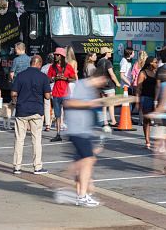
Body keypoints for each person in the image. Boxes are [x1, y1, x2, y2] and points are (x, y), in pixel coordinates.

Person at [62, 70, 108, 207]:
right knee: (88, 160)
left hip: (83, 131)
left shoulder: (89, 88)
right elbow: (70, 103)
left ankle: (81, 194)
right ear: (98, 77)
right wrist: (90, 104)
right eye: (102, 81)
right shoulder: (82, 85)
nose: (102, 84)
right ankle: (81, 195)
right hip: (77, 130)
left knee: (84, 161)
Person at [11, 55, 51, 175]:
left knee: (19, 139)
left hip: (22, 110)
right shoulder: (43, 77)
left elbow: (13, 93)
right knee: (36, 139)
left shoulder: (21, 75)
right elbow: (48, 96)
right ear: (39, 64)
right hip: (36, 111)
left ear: (30, 63)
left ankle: (17, 167)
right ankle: (37, 167)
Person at [47, 47, 76, 141]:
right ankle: (58, 134)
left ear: (62, 56)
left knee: (68, 114)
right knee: (57, 114)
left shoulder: (68, 67)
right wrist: (54, 79)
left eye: (57, 55)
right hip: (56, 93)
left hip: (66, 93)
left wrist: (65, 78)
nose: (55, 56)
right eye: (55, 55)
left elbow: (74, 78)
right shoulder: (52, 67)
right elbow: (48, 79)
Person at [136, 56, 158, 149]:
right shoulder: (143, 73)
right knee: (146, 120)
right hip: (146, 97)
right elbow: (138, 88)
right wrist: (137, 101)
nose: (157, 64)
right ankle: (147, 141)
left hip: (156, 98)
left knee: (158, 120)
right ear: (150, 63)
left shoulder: (157, 73)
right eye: (155, 62)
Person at [96, 47, 120, 127]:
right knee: (111, 103)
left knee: (104, 104)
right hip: (109, 85)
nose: (110, 53)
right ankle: (113, 121)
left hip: (102, 85)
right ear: (106, 53)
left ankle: (105, 121)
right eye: (109, 52)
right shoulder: (108, 62)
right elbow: (112, 74)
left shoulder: (99, 62)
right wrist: (117, 83)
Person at [9, 42, 30, 114]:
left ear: (20, 49)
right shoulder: (29, 59)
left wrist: (12, 80)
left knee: (16, 103)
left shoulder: (16, 60)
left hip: (17, 85)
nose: (15, 51)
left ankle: (19, 117)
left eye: (16, 49)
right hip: (27, 84)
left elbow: (12, 73)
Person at [131, 50, 147, 117]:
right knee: (145, 102)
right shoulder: (147, 65)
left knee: (138, 102)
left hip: (136, 84)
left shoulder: (136, 64)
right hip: (144, 85)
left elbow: (133, 77)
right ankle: (146, 118)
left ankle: (141, 119)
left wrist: (131, 86)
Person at [41, 53, 54, 131]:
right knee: (57, 107)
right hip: (54, 89)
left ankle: (46, 124)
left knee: (46, 106)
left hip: (46, 89)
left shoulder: (44, 68)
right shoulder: (55, 67)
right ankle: (54, 123)